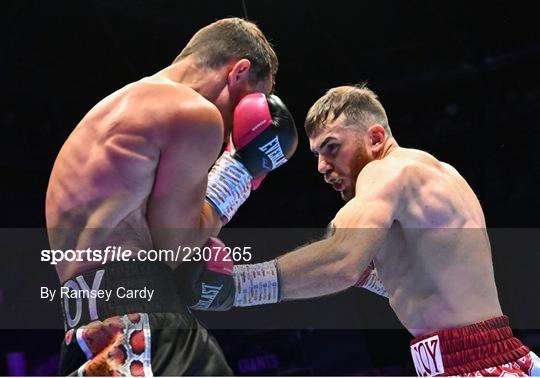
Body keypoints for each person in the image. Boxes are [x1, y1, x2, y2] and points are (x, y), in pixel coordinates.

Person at [179, 85, 540, 376]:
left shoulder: (386, 172)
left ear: (376, 137)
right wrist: (363, 271)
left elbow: (341, 263)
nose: (323, 166)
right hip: (481, 359)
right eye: (318, 154)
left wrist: (238, 287)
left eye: (332, 147)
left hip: (478, 365)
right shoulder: (431, 176)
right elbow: (424, 282)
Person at [46, 17, 297, 376]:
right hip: (146, 331)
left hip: (86, 337)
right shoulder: (195, 113)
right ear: (238, 71)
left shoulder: (108, 112)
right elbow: (174, 246)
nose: (234, 130)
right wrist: (240, 172)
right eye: (253, 100)